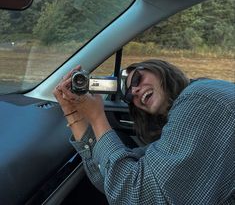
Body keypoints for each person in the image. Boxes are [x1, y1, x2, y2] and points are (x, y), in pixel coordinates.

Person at [53, 59, 235, 205]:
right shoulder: (192, 106)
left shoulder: (198, 99)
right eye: (130, 97)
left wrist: (97, 117)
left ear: (159, 69)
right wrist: (72, 113)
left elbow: (139, 197)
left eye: (137, 79)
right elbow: (111, 178)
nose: (136, 91)